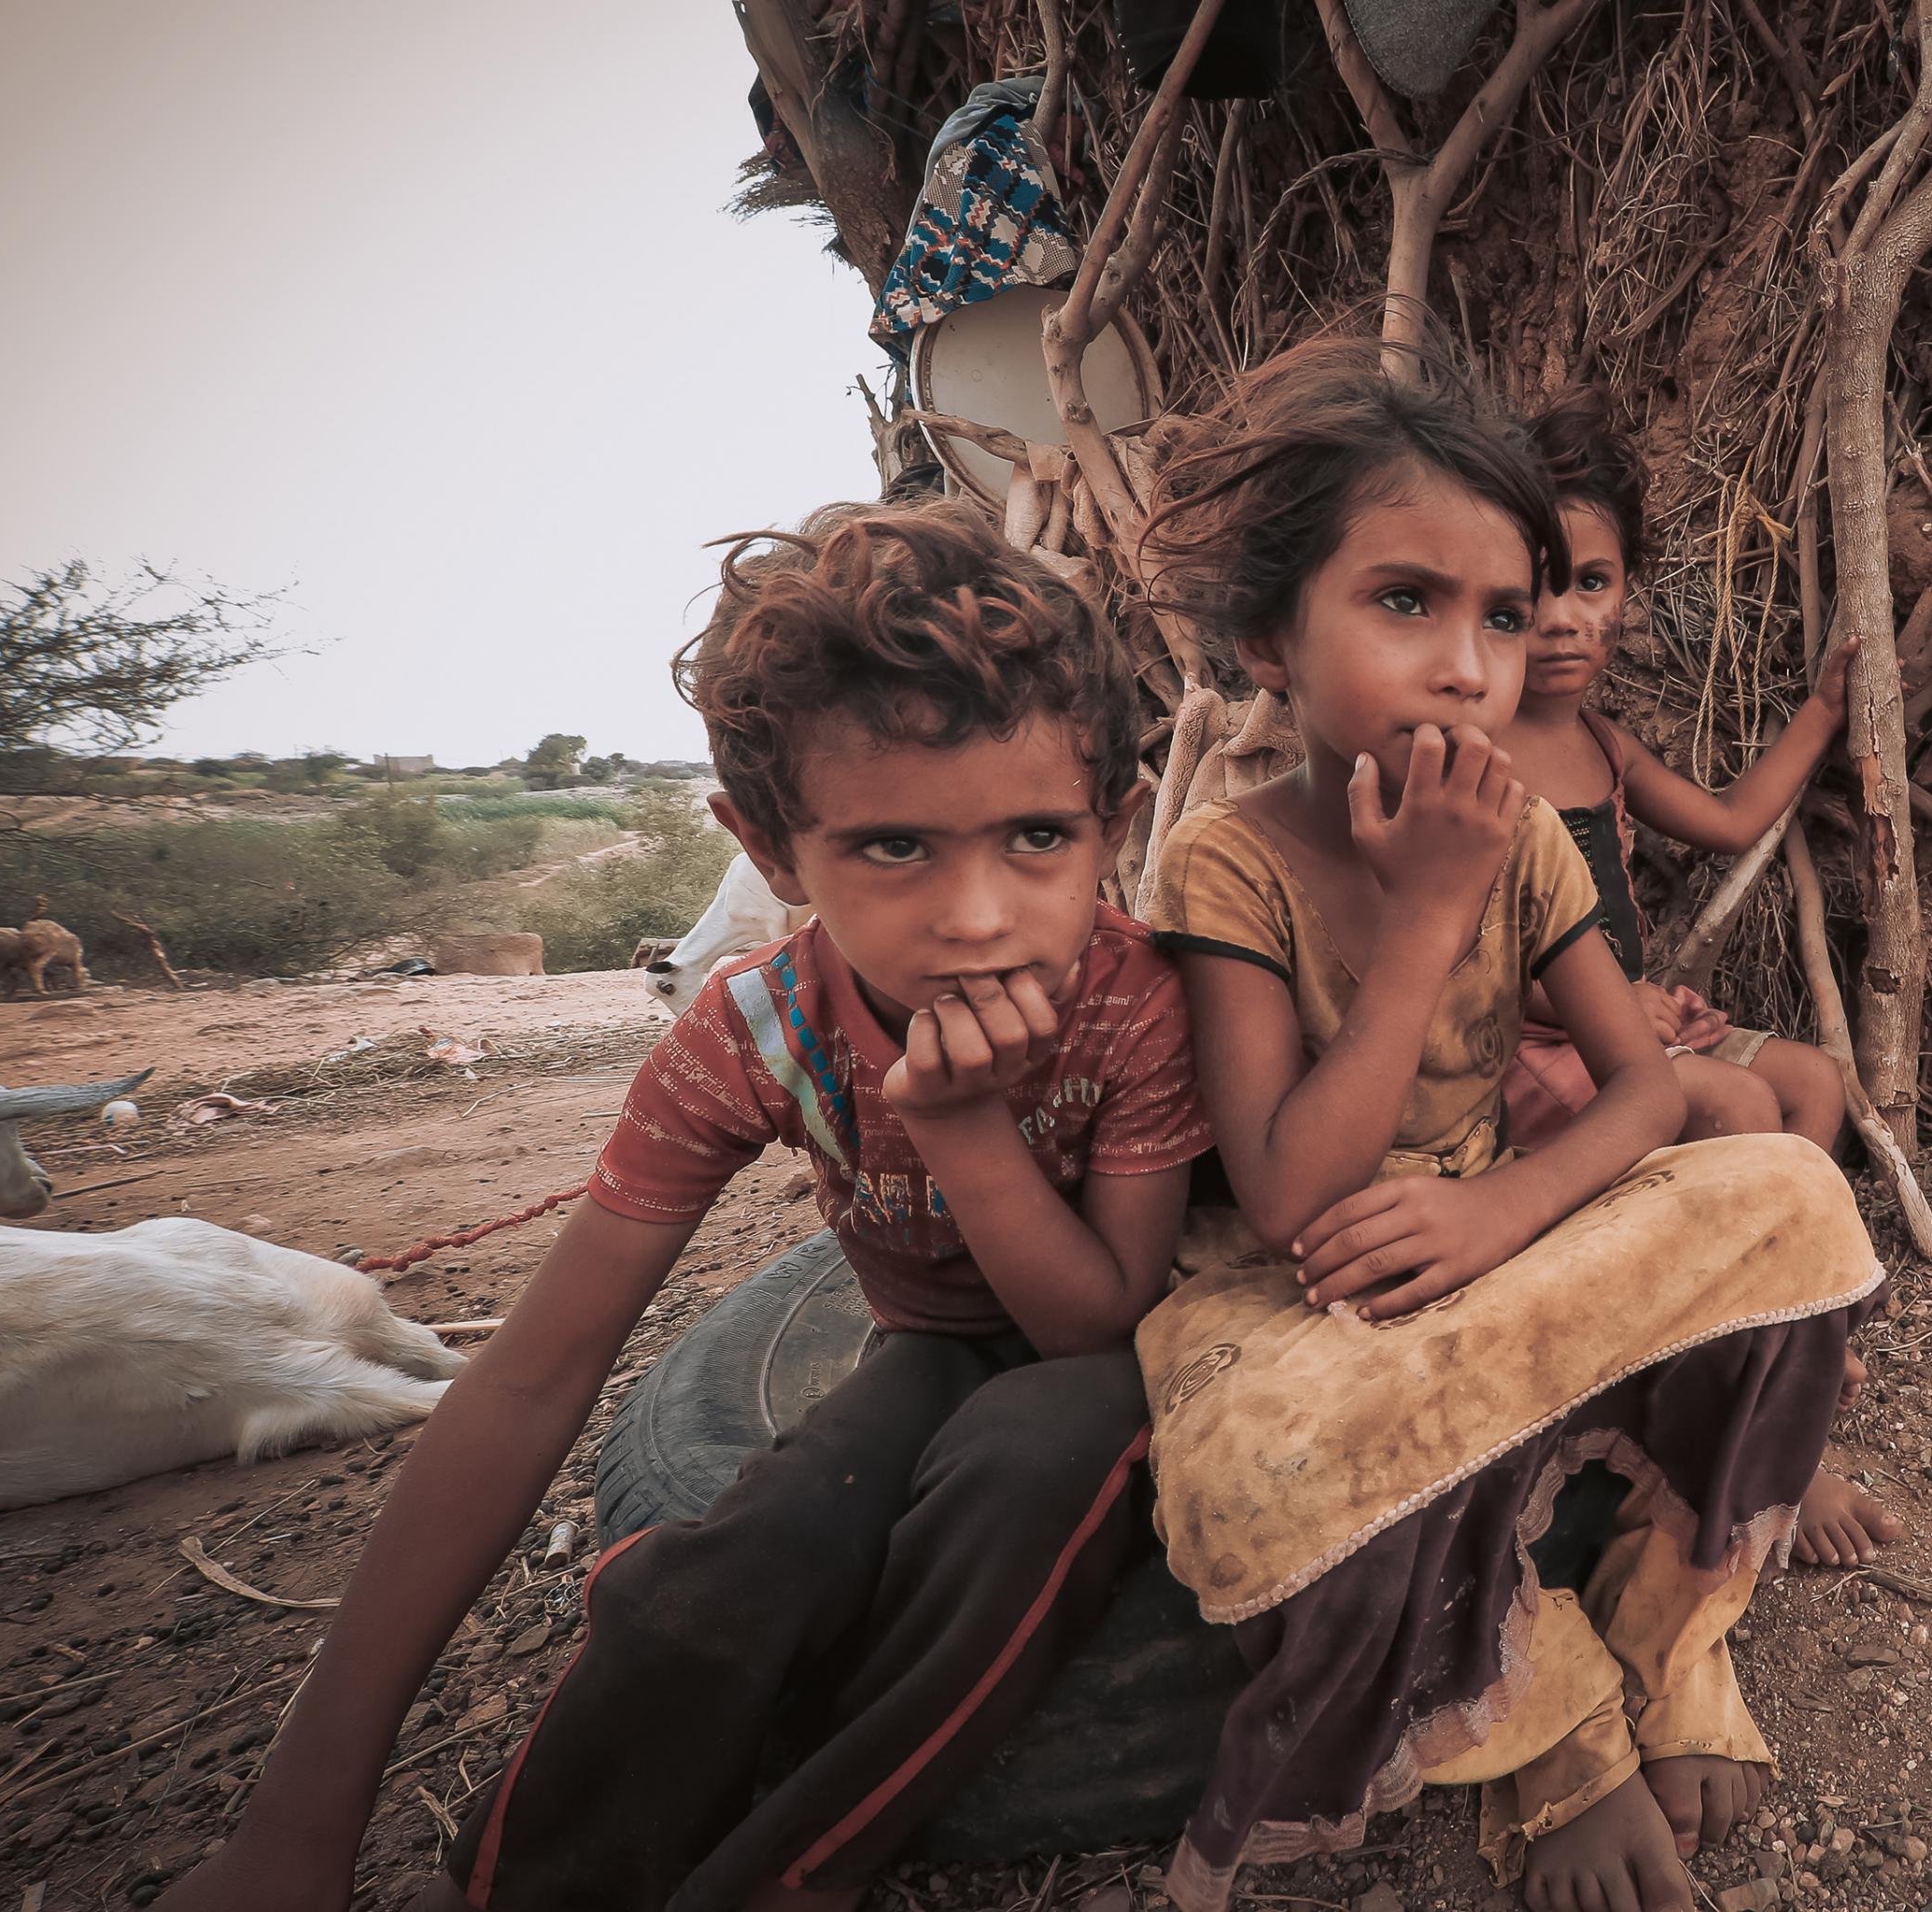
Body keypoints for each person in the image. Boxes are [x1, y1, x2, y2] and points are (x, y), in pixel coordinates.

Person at [156, 499, 1211, 1912]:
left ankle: (785, 1875)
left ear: (1112, 830)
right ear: (771, 855)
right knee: (745, 1558)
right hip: (928, 1343)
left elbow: (1099, 1321)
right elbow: (533, 1379)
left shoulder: (1136, 1000)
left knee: (1036, 1466)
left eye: (1034, 836)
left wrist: (954, 1127)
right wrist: (299, 1823)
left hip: (1108, 1356)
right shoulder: (756, 1029)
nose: (978, 914)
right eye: (893, 848)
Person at [1132, 335, 1881, 1912]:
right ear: (1272, 633)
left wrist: (1501, 1210)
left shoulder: (1531, 833)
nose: (1473, 660)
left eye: (1501, 610)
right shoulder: (1227, 862)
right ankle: (1546, 1720)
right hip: (1313, 1299)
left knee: (1793, 1190)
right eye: (1408, 601)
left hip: (1497, 1230)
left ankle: (1669, 1625)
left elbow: (1646, 1087)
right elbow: (1280, 1196)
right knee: (1256, 1474)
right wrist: (1421, 919)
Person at [1493, 387, 1907, 1569]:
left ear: (1626, 588)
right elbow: (1467, 958)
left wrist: (1823, 713)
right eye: (1527, 595)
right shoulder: (1473, 757)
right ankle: (1778, 1410)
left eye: (1592, 583)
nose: (1563, 620)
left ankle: (1785, 1322)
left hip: (1623, 1032)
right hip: (1536, 1052)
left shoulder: (1602, 746)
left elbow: (1728, 820)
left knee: (1811, 1083)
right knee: (1731, 1107)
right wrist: (1608, 1009)